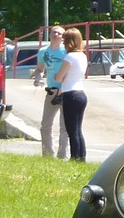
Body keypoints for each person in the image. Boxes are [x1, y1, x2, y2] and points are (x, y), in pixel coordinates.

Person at [31, 26, 68, 158]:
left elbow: (72, 73)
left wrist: (61, 89)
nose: (55, 34)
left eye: (59, 33)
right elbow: (40, 69)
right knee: (45, 126)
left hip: (65, 92)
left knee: (64, 127)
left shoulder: (67, 51)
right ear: (50, 34)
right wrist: (37, 78)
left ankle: (62, 155)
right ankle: (47, 155)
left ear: (63, 37)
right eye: (53, 32)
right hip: (51, 92)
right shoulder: (43, 51)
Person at [53, 29, 89, 162]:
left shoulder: (69, 57)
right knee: (78, 129)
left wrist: (55, 76)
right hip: (81, 93)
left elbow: (59, 77)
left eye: (65, 41)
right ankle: (82, 157)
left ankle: (74, 157)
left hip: (70, 94)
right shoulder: (83, 56)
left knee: (72, 130)